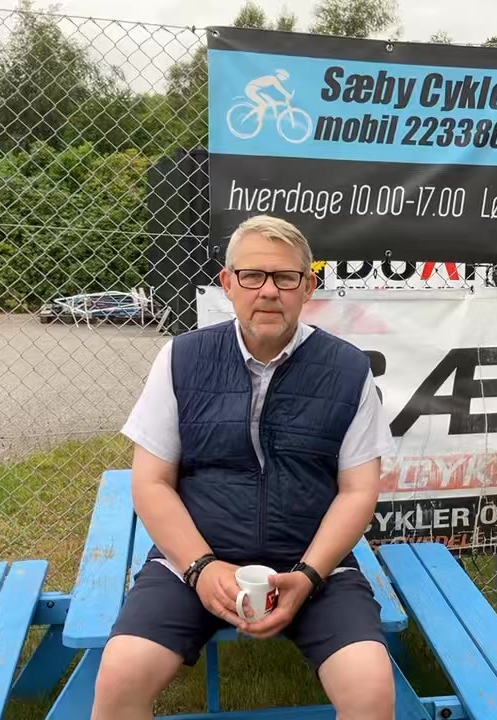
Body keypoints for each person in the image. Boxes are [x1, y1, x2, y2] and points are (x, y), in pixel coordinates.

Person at [92, 214, 396, 720]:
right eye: (252, 275)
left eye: (286, 277)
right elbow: (151, 482)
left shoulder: (347, 369)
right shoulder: (181, 358)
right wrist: (201, 568)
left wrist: (308, 575)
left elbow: (359, 490)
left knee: (371, 690)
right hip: (193, 561)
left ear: (308, 287)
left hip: (311, 565)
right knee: (120, 675)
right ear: (228, 283)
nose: (269, 291)